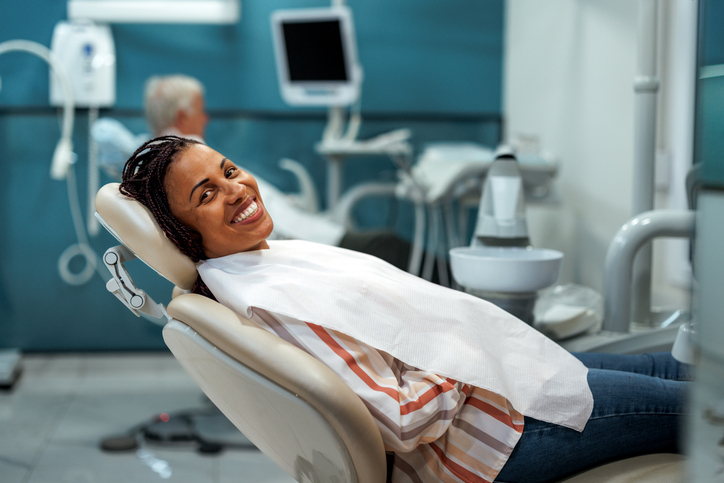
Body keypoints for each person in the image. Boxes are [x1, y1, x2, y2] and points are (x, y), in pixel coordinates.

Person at [119, 136, 691, 483]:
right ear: (180, 232)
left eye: (228, 171)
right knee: (703, 406)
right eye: (206, 195)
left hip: (494, 399)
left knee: (674, 365)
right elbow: (400, 418)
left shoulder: (262, 266)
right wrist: (463, 357)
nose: (237, 189)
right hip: (491, 441)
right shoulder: (273, 304)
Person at [143, 74, 413, 272]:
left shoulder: (158, 169)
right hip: (298, 241)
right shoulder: (186, 155)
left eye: (230, 172)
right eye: (201, 111)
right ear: (181, 117)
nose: (206, 118)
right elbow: (268, 227)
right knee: (387, 244)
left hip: (290, 237)